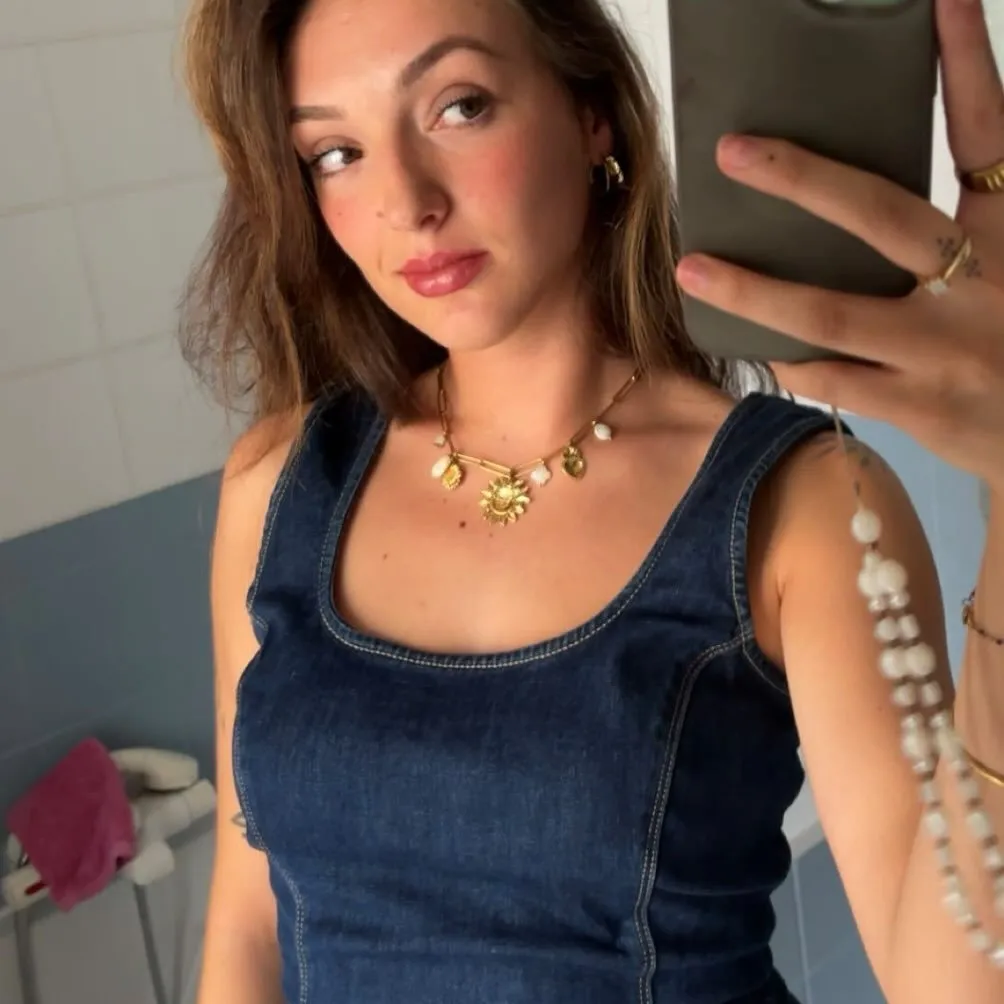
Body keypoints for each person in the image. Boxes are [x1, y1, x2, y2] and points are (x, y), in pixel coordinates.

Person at [178, 0, 1004, 1000]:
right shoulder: (279, 483)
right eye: (335, 154)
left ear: (591, 113)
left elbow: (954, 983)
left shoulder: (801, 505)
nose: (406, 202)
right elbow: (248, 927)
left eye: (459, 105)